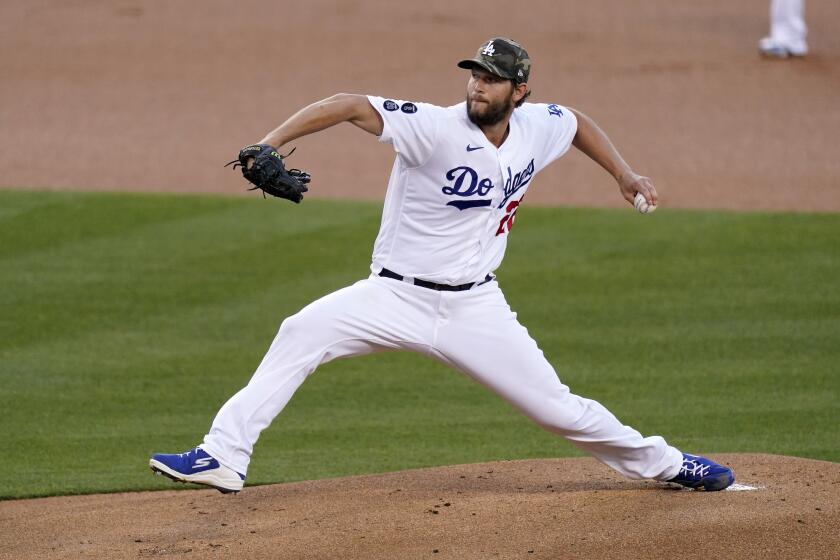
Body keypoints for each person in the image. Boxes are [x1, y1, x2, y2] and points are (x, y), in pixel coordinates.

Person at [149, 37, 735, 494]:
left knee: (558, 409)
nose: (478, 86)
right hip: (392, 299)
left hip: (475, 306)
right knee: (301, 331)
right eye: (474, 75)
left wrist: (625, 174)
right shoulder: (432, 127)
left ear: (520, 91)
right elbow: (350, 104)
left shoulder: (536, 128)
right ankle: (224, 456)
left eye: (492, 79)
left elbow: (576, 121)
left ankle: (665, 463)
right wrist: (268, 141)